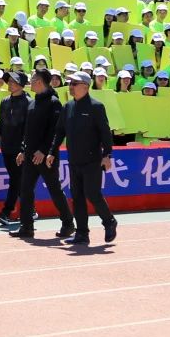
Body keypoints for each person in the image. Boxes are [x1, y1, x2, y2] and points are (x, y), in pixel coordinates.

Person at [49, 72, 119, 245]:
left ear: (85, 86)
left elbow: (105, 132)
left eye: (74, 83)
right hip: (74, 160)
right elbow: (59, 132)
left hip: (92, 160)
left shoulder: (96, 106)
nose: (70, 87)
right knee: (77, 197)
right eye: (70, 83)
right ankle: (81, 233)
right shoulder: (68, 107)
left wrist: (107, 155)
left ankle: (109, 221)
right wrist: (51, 151)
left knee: (92, 193)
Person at [9, 69, 75, 240]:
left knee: (54, 189)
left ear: (39, 82)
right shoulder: (32, 103)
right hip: (30, 155)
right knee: (25, 190)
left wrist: (44, 151)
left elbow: (56, 131)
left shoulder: (54, 103)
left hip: (46, 157)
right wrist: (23, 150)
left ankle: (68, 223)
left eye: (32, 80)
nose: (29, 83)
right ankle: (26, 226)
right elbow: (27, 131)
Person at [0, 71, 31, 226]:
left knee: (15, 179)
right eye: (9, 81)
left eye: (14, 81)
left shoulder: (29, 102)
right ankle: (31, 209)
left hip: (20, 149)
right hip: (6, 147)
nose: (10, 84)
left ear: (21, 85)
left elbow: (29, 128)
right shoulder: (5, 101)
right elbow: (0, 123)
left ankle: (6, 211)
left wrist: (24, 149)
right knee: (18, 180)